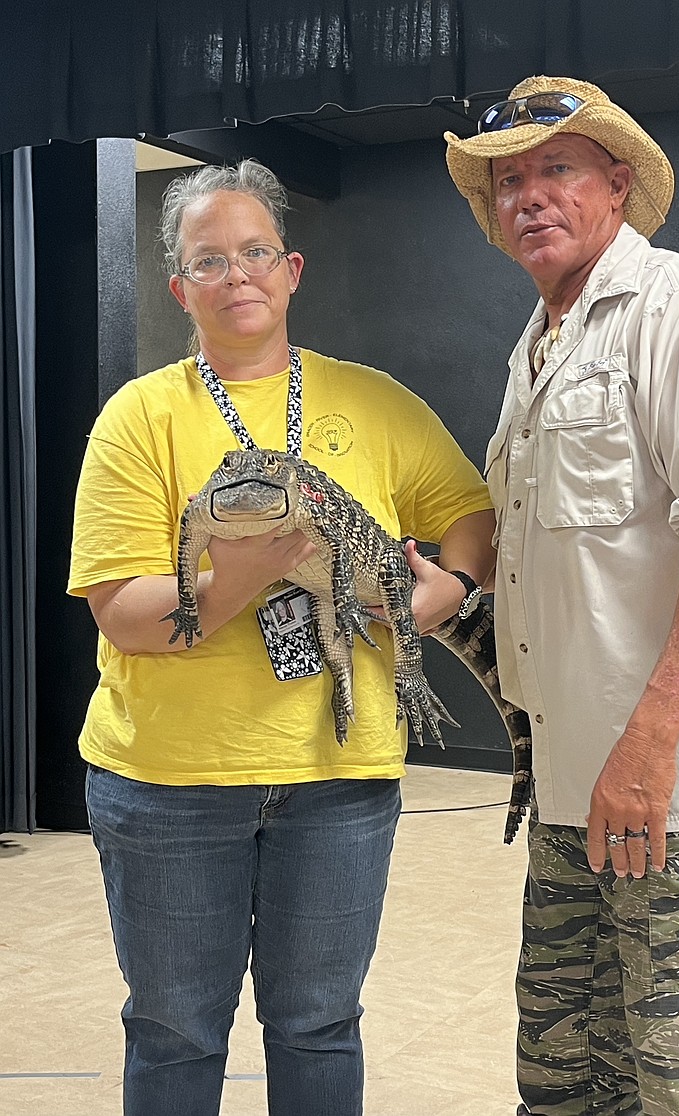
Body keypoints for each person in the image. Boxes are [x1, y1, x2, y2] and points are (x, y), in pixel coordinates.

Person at [68, 159, 495, 1116]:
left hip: (338, 780)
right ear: (179, 288)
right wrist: (250, 574)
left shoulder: (372, 401)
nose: (238, 276)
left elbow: (472, 512)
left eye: (256, 252)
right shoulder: (139, 418)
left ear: (292, 269)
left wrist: (452, 585)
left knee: (318, 1025)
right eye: (209, 260)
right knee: (176, 1031)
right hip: (170, 784)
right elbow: (123, 611)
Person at [444, 76, 679, 1116]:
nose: (529, 196)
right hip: (575, 781)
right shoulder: (538, 348)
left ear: (616, 186)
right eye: (508, 181)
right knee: (566, 1068)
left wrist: (651, 741)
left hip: (677, 784)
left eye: (557, 169)